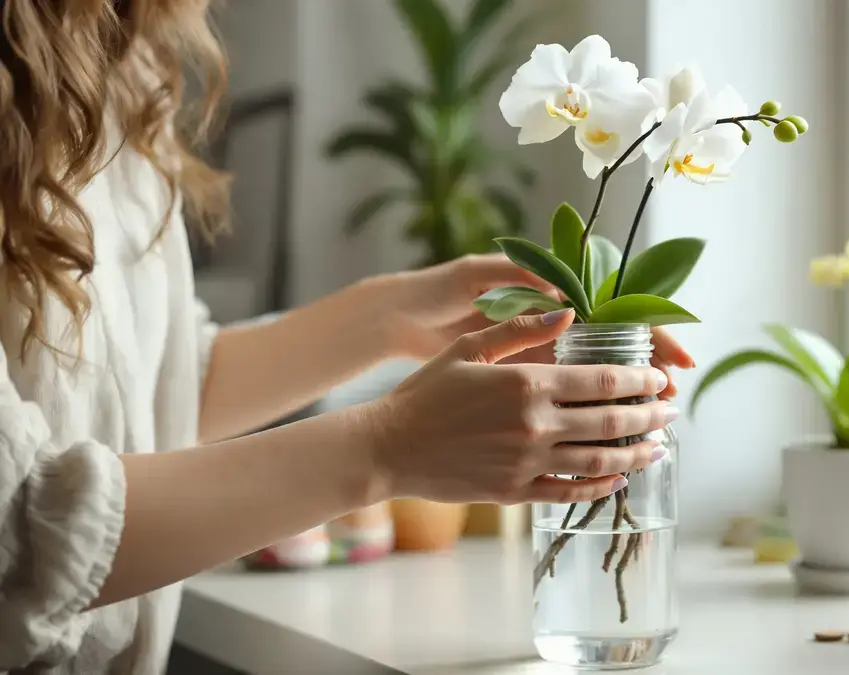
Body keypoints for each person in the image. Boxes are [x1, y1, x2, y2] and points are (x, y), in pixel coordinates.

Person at [0, 2, 694, 673]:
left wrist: (393, 316)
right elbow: (19, 529)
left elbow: (159, 389)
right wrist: (388, 446)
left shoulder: (122, 59)